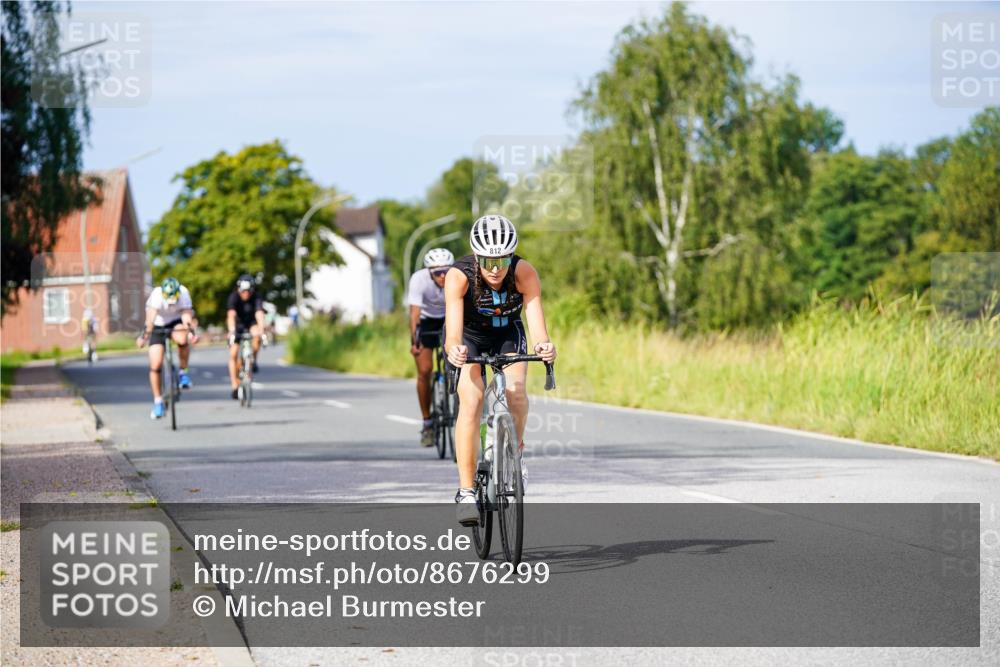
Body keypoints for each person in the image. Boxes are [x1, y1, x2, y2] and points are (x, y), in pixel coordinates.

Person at [444, 215, 556, 525]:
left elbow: (537, 327)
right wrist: (454, 349)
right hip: (469, 337)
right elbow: (452, 332)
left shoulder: (524, 273)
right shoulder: (459, 276)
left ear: (511, 256)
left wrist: (545, 346)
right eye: (489, 260)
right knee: (472, 399)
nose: (495, 268)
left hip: (508, 332)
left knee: (516, 392)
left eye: (502, 259)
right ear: (477, 256)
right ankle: (466, 492)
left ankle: (515, 455)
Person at [407, 247, 455, 446]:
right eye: (437, 273)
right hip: (426, 321)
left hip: (448, 318)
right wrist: (415, 341)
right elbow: (415, 314)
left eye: (446, 271)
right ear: (430, 272)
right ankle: (427, 422)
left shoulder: (457, 276)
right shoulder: (419, 279)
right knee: (425, 370)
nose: (443, 276)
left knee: (458, 361)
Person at [136, 277, 199, 419]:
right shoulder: (157, 295)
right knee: (155, 364)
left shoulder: (183, 293)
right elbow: (150, 320)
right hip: (158, 324)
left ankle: (183, 372)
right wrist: (144, 337)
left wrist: (192, 334)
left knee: (183, 339)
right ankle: (158, 401)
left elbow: (187, 317)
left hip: (176, 322)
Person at [226, 274, 266, 400]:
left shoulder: (256, 297)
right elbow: (231, 315)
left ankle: (252, 360)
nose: (246, 294)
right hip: (237, 325)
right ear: (239, 289)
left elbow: (259, 313)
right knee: (233, 354)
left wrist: (262, 330)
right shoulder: (234, 297)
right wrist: (232, 331)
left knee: (257, 336)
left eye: (249, 291)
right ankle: (234, 385)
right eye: (243, 291)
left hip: (251, 323)